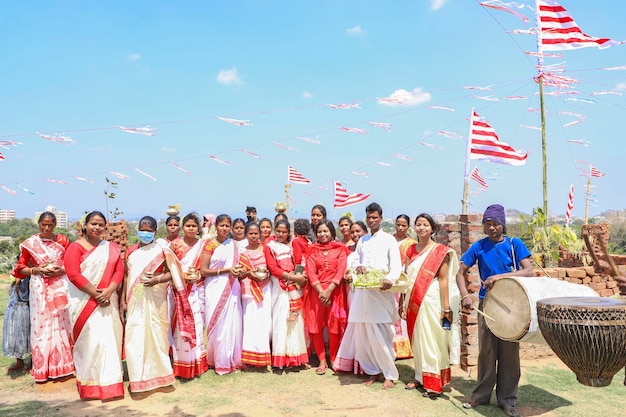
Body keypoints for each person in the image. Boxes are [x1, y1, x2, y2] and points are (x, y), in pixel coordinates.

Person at [457, 204, 534, 417]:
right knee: (486, 353)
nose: (492, 228)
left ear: (503, 225)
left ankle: (507, 400)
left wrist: (499, 277)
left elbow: (529, 271)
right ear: (483, 225)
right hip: (487, 305)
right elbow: (460, 272)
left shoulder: (513, 244)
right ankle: (480, 396)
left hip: (511, 306)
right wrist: (465, 295)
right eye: (488, 224)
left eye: (496, 224)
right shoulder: (478, 246)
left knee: (509, 355)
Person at [334, 202, 401, 390]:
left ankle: (389, 374)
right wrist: (358, 268)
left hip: (380, 292)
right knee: (363, 334)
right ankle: (372, 371)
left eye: (374, 218)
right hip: (363, 293)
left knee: (381, 334)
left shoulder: (389, 240)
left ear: (380, 218)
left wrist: (390, 278)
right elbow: (356, 262)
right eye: (369, 218)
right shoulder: (362, 241)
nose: (371, 221)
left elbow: (396, 265)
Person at [65, 211, 125, 400]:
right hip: (84, 302)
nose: (97, 228)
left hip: (108, 300)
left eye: (100, 224)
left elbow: (119, 270)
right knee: (90, 341)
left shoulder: (111, 247)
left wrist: (109, 291)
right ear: (85, 225)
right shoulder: (75, 247)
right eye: (93, 224)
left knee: (108, 340)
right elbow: (73, 274)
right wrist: (97, 294)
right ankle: (90, 384)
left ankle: (111, 383)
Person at [400, 213, 460, 398]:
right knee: (417, 340)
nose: (421, 228)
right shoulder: (410, 249)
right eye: (418, 224)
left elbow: (443, 280)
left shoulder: (441, 251)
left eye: (425, 224)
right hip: (413, 299)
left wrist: (447, 307)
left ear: (432, 229)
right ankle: (419, 375)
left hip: (432, 299)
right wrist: (402, 302)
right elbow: (405, 277)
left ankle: (434, 384)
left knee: (432, 340)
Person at [12, 212, 74, 382]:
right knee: (42, 325)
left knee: (63, 323)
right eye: (43, 224)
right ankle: (42, 368)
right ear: (38, 224)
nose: (46, 228)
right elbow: (20, 268)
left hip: (60, 285)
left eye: (50, 225)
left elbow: (71, 261)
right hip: (39, 287)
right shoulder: (30, 245)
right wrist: (38, 270)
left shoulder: (63, 241)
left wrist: (61, 270)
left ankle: (64, 365)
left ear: (55, 225)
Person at [121, 216, 179, 393]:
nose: (144, 233)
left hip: (157, 299)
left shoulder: (163, 250)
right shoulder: (130, 251)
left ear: (155, 231)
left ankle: (160, 375)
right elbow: (126, 276)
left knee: (157, 336)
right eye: (142, 229)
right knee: (135, 336)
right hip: (134, 301)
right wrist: (123, 300)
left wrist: (157, 279)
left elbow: (173, 273)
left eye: (148, 230)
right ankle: (138, 378)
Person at [200, 214, 244, 375]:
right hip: (214, 288)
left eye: (227, 226)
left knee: (232, 323)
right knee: (217, 324)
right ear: (216, 227)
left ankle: (230, 360)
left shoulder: (234, 245)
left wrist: (240, 271)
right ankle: (216, 359)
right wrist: (226, 270)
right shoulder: (209, 245)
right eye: (222, 225)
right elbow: (203, 270)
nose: (225, 229)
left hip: (232, 288)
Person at [264, 219, 308, 369]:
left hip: (292, 285)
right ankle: (280, 359)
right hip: (279, 286)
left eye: (284, 232)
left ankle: (295, 358)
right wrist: (292, 277)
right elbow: (273, 269)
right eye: (278, 231)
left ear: (288, 232)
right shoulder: (269, 246)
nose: (281, 234)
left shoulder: (290, 246)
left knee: (295, 324)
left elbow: (297, 262)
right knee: (281, 322)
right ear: (274, 231)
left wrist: (297, 276)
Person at [305, 220, 348, 375]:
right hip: (316, 292)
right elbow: (310, 272)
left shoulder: (340, 249)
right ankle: (322, 360)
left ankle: (334, 359)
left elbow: (341, 270)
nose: (323, 234)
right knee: (316, 326)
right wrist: (320, 290)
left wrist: (329, 289)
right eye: (320, 232)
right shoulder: (312, 250)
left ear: (332, 232)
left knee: (333, 326)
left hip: (335, 291)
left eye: (326, 231)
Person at [169, 212, 209, 378]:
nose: (191, 229)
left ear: (198, 228)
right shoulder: (175, 245)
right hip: (179, 290)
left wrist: (198, 276)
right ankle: (182, 364)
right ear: (182, 227)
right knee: (179, 326)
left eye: (194, 226)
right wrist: (181, 278)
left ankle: (197, 363)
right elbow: (169, 267)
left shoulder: (203, 244)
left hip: (197, 289)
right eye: (188, 226)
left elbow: (205, 267)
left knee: (198, 325)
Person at [239, 222, 273, 368]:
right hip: (249, 289)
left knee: (265, 322)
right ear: (246, 235)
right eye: (250, 234)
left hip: (265, 288)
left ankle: (264, 355)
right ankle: (250, 357)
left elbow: (272, 267)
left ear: (260, 234)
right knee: (250, 321)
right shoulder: (242, 252)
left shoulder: (266, 249)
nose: (253, 236)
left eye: (256, 233)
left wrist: (266, 274)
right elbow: (239, 272)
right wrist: (249, 273)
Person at [392, 214, 416, 360]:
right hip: (389, 280)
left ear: (408, 227)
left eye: (404, 225)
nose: (400, 228)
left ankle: (404, 348)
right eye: (398, 224)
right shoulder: (389, 240)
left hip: (403, 280)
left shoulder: (411, 243)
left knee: (401, 312)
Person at [3, 268, 30, 373]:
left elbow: (24, 296)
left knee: (27, 334)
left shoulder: (28, 276)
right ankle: (20, 361)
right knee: (15, 334)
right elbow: (11, 292)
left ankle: (33, 363)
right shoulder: (17, 274)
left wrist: (18, 283)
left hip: (24, 308)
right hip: (13, 306)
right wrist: (15, 282)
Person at [343, 221, 368, 308]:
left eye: (358, 231)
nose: (355, 234)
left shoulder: (370, 249)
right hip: (351, 290)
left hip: (368, 290)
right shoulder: (347, 249)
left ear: (366, 232)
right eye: (352, 232)